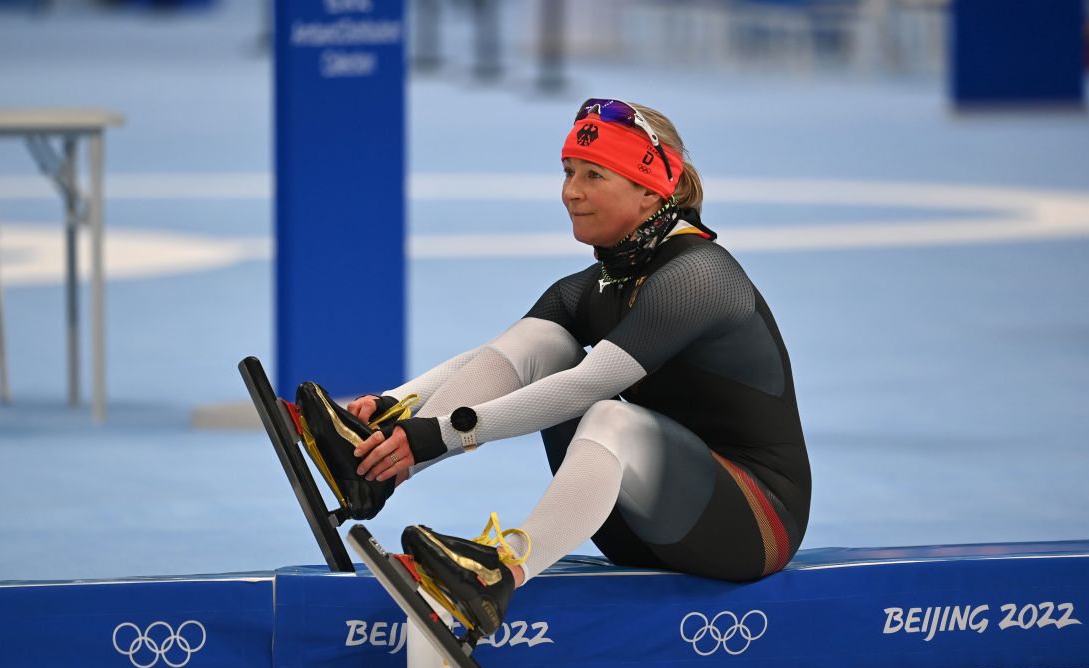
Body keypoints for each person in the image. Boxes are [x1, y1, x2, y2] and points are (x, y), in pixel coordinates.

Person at [297, 99, 811, 639]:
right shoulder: (603, 282)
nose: (571, 192)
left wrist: (441, 434)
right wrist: (393, 406)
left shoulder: (699, 278)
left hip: (754, 525)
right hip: (641, 521)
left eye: (594, 175)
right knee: (545, 342)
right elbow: (501, 354)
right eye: (568, 172)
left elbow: (590, 386)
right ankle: (373, 471)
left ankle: (500, 575)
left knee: (609, 417)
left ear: (649, 189)